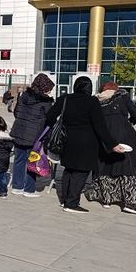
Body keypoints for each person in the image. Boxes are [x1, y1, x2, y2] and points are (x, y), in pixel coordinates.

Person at [46, 76, 124, 214]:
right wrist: (112, 144)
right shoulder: (92, 101)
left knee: (69, 169)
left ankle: (65, 200)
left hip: (67, 140)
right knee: (81, 171)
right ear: (89, 88)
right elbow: (100, 126)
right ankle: (71, 203)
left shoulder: (64, 99)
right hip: (87, 142)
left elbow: (50, 117)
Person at [85, 82, 136, 214]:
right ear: (115, 89)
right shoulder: (122, 96)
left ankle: (107, 199)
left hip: (104, 137)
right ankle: (130, 202)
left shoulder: (96, 100)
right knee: (128, 167)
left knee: (105, 166)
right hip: (124, 136)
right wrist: (129, 122)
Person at [9, 73, 55, 197]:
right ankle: (29, 189)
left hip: (19, 131)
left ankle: (17, 187)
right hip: (34, 135)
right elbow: (49, 120)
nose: (48, 92)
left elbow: (16, 112)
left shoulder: (24, 96)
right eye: (48, 89)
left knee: (19, 160)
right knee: (32, 161)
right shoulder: (45, 102)